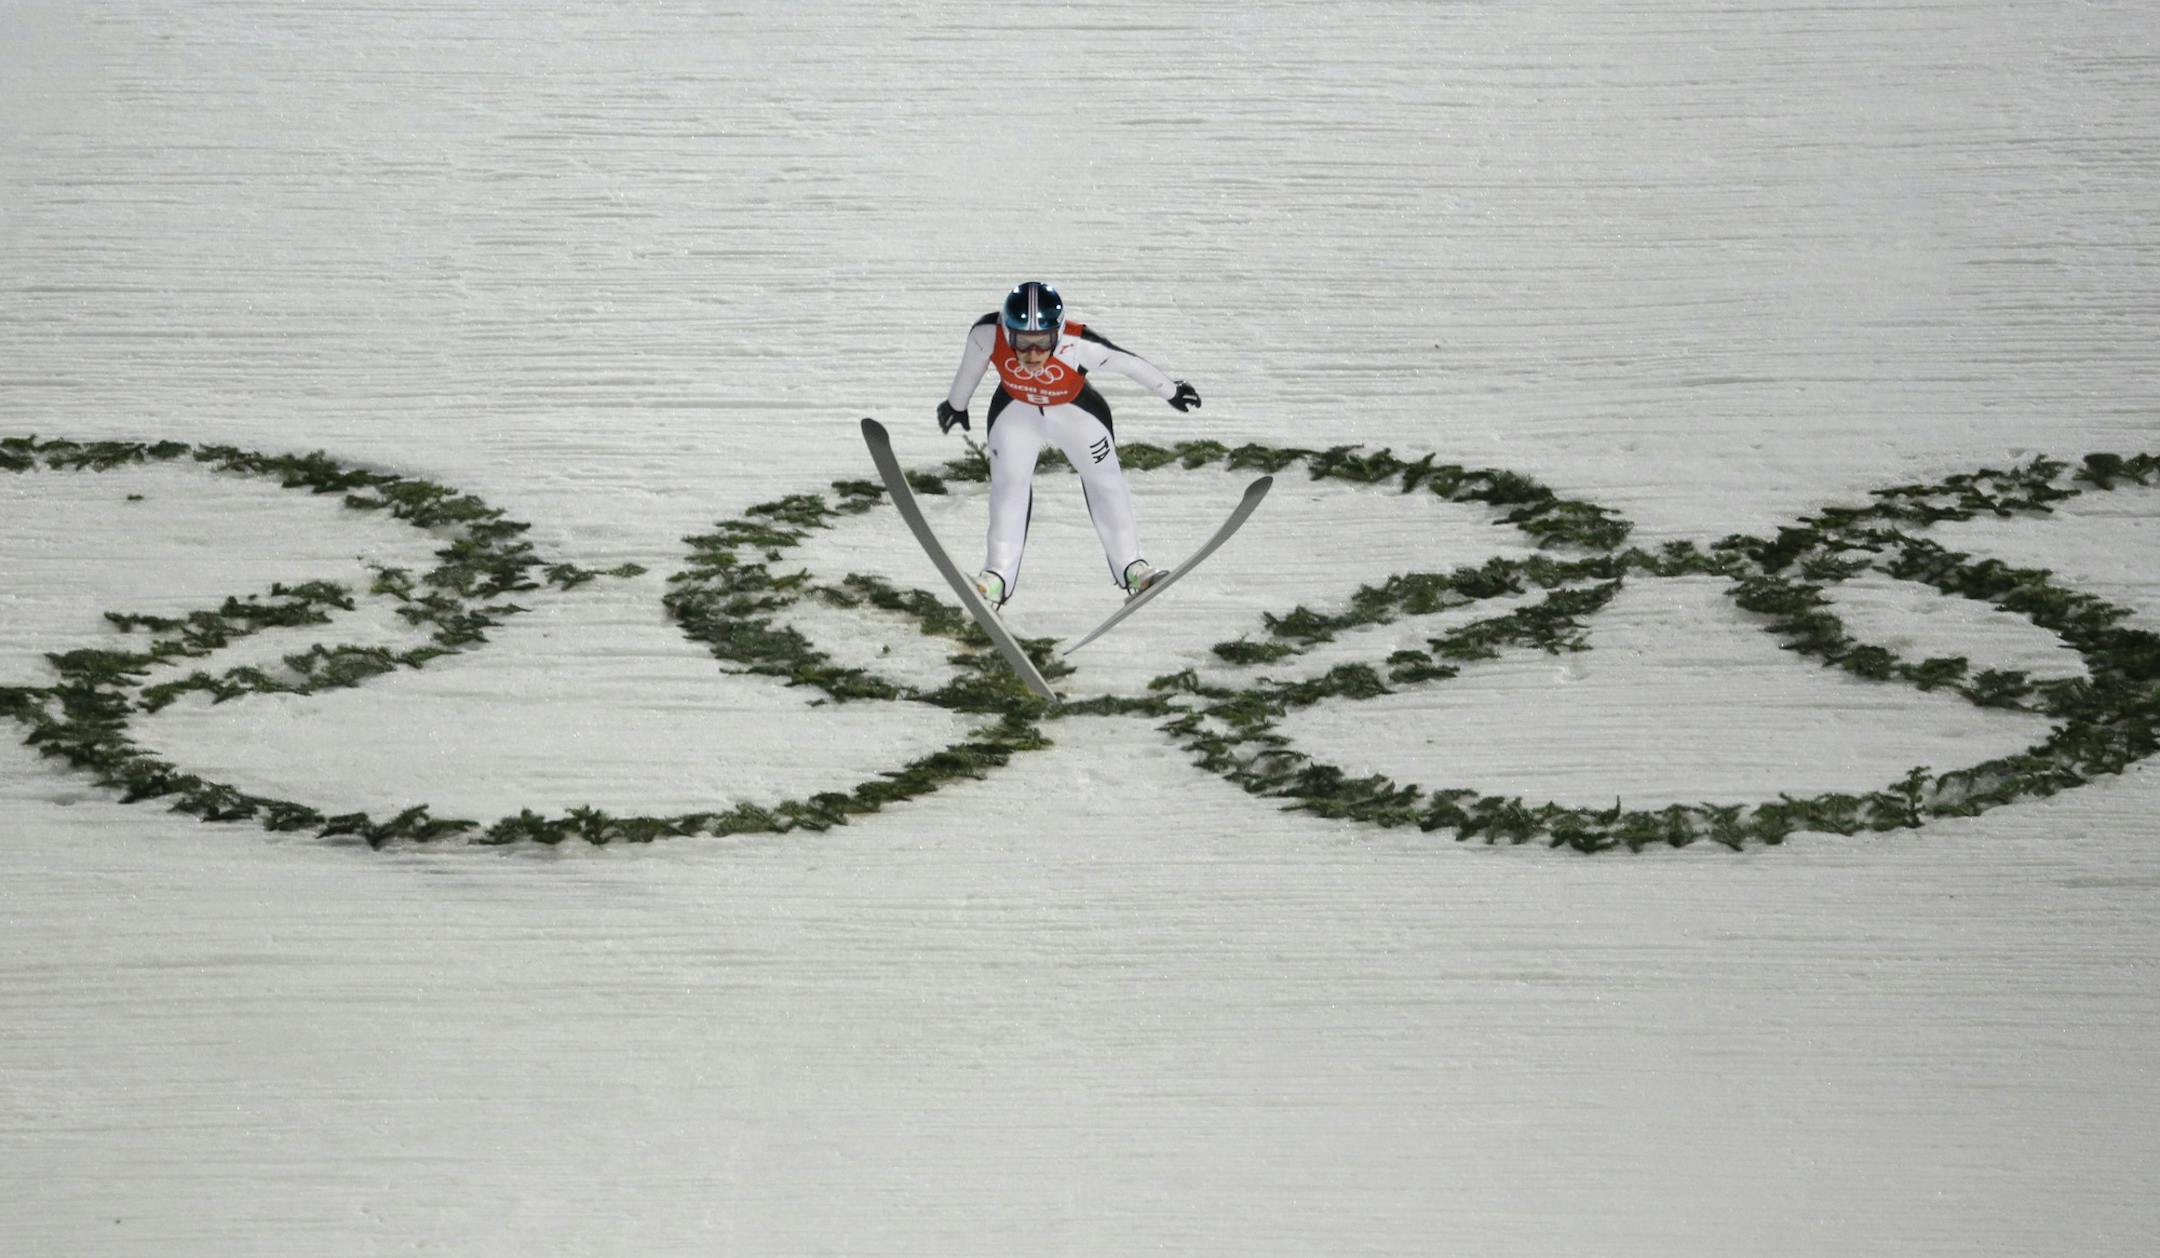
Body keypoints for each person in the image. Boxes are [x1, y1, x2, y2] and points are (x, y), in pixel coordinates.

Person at [936, 281, 1202, 609]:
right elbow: (971, 367)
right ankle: (995, 577)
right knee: (1008, 487)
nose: (1033, 354)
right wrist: (956, 404)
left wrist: (1171, 391)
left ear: (1058, 333)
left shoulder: (1080, 344)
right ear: (1007, 331)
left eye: (1043, 342)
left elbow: (1128, 363)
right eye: (1021, 341)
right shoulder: (986, 333)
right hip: (1016, 412)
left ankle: (1133, 568)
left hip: (1075, 413)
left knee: (1106, 481)